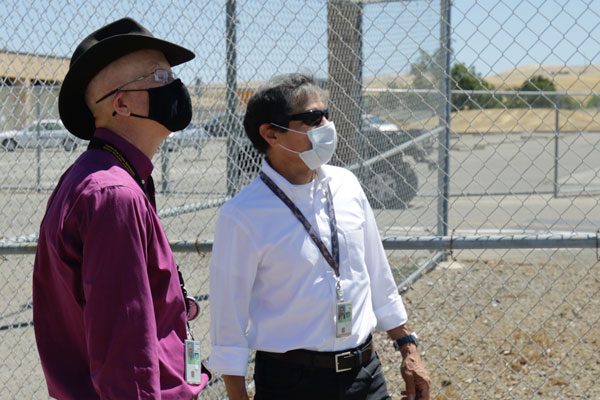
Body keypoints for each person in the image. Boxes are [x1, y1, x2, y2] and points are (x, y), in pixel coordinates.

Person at [208, 73, 430, 400]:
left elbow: (377, 274)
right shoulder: (242, 216)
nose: (327, 125)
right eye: (313, 118)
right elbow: (228, 321)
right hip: (292, 384)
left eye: (326, 114)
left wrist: (407, 349)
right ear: (271, 133)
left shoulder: (347, 185)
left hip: (365, 374)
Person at [32, 18, 210, 399]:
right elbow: (126, 364)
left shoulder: (108, 177)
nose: (175, 86)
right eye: (160, 77)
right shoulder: (114, 194)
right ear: (122, 103)